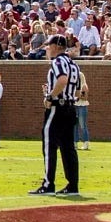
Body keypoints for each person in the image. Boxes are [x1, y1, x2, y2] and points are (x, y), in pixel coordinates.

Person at [30, 35, 80, 195]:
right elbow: (77, 90)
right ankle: (73, 185)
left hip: (57, 108)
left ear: (57, 46)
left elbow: (62, 80)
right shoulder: (74, 65)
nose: (47, 48)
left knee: (49, 145)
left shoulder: (58, 62)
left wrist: (50, 96)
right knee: (68, 147)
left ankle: (48, 184)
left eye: (49, 45)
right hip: (71, 107)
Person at [74, 67, 91, 151]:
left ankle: (86, 142)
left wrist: (77, 95)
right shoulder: (72, 86)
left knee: (82, 125)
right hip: (74, 106)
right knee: (74, 125)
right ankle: (75, 142)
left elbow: (84, 97)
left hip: (81, 106)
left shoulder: (84, 86)